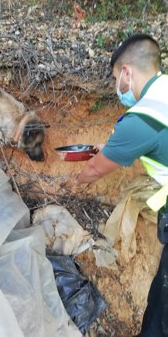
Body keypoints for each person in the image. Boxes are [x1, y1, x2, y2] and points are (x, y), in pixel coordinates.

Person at [70, 33, 168, 336]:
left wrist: (73, 183)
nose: (118, 88)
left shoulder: (143, 116)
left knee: (161, 316)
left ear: (127, 72)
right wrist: (111, 146)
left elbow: (96, 169)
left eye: (115, 78)